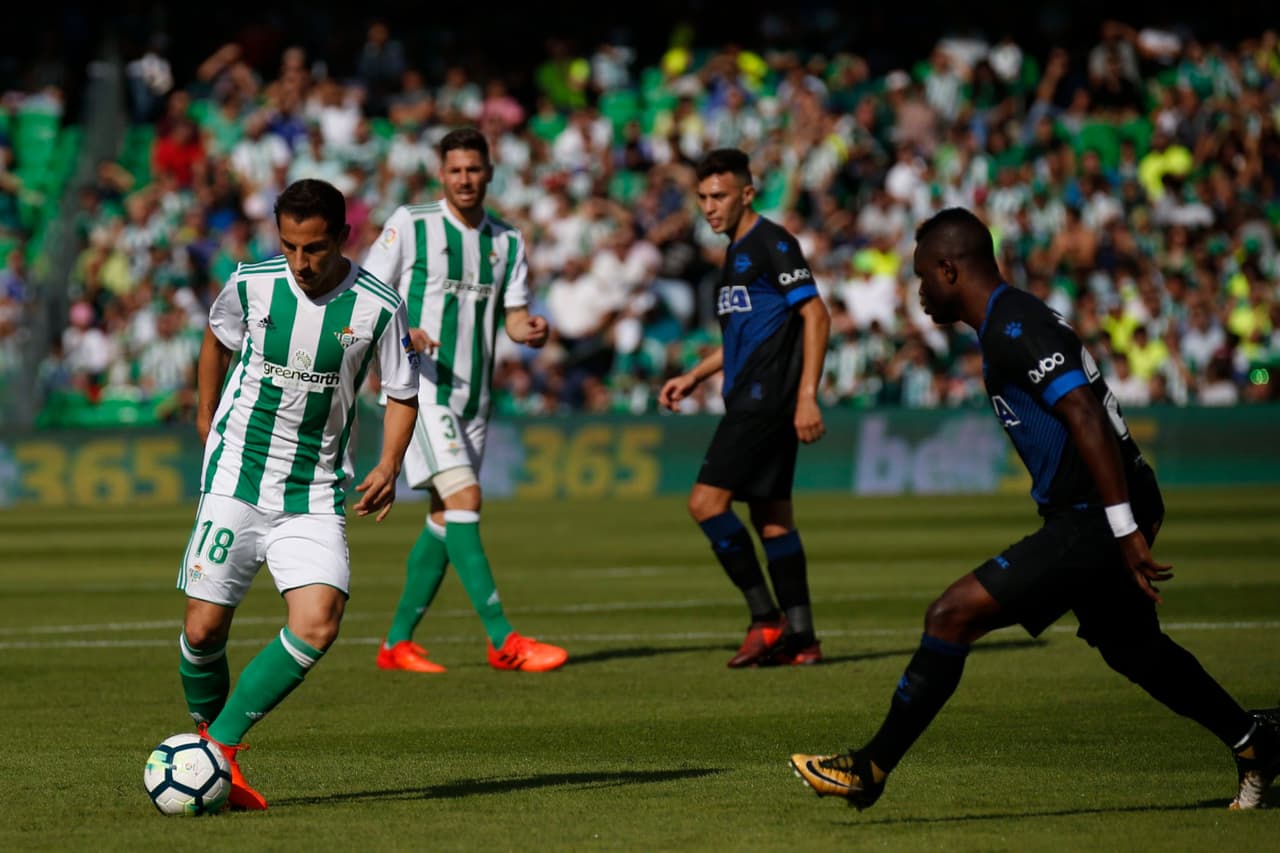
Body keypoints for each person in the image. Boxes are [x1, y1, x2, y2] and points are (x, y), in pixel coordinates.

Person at [790, 207, 1279, 811]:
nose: (916, 291)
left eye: (921, 276)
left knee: (950, 615)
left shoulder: (1013, 324)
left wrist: (1123, 527)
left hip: (1095, 513)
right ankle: (1256, 740)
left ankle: (871, 768)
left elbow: (1084, 413)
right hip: (1097, 509)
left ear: (949, 269)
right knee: (1131, 648)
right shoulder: (1010, 321)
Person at [177, 178, 420, 810]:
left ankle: (218, 754)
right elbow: (218, 337)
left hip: (313, 491)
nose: (300, 263)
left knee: (318, 623)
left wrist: (391, 463)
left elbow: (401, 392)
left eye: (313, 249)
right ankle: (211, 748)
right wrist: (206, 417)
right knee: (202, 633)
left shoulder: (378, 306)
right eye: (288, 246)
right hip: (236, 476)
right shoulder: (253, 282)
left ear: (342, 237)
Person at [363, 127, 568, 673]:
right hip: (421, 388)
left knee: (443, 515)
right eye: (455, 170)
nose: (465, 179)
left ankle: (396, 643)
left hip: (475, 397)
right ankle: (503, 639)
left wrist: (531, 330)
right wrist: (404, 334)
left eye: (474, 169)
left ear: (490, 172)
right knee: (466, 496)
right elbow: (367, 294)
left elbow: (515, 316)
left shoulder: (507, 241)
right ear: (441, 174)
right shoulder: (412, 224)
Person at [659, 148, 831, 667]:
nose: (709, 207)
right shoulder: (733, 255)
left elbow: (816, 315)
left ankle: (766, 618)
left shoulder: (772, 243)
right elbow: (741, 339)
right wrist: (694, 375)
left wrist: (806, 396)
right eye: (703, 198)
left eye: (719, 196)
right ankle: (803, 637)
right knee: (773, 519)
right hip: (753, 394)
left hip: (765, 401)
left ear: (747, 194)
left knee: (705, 505)